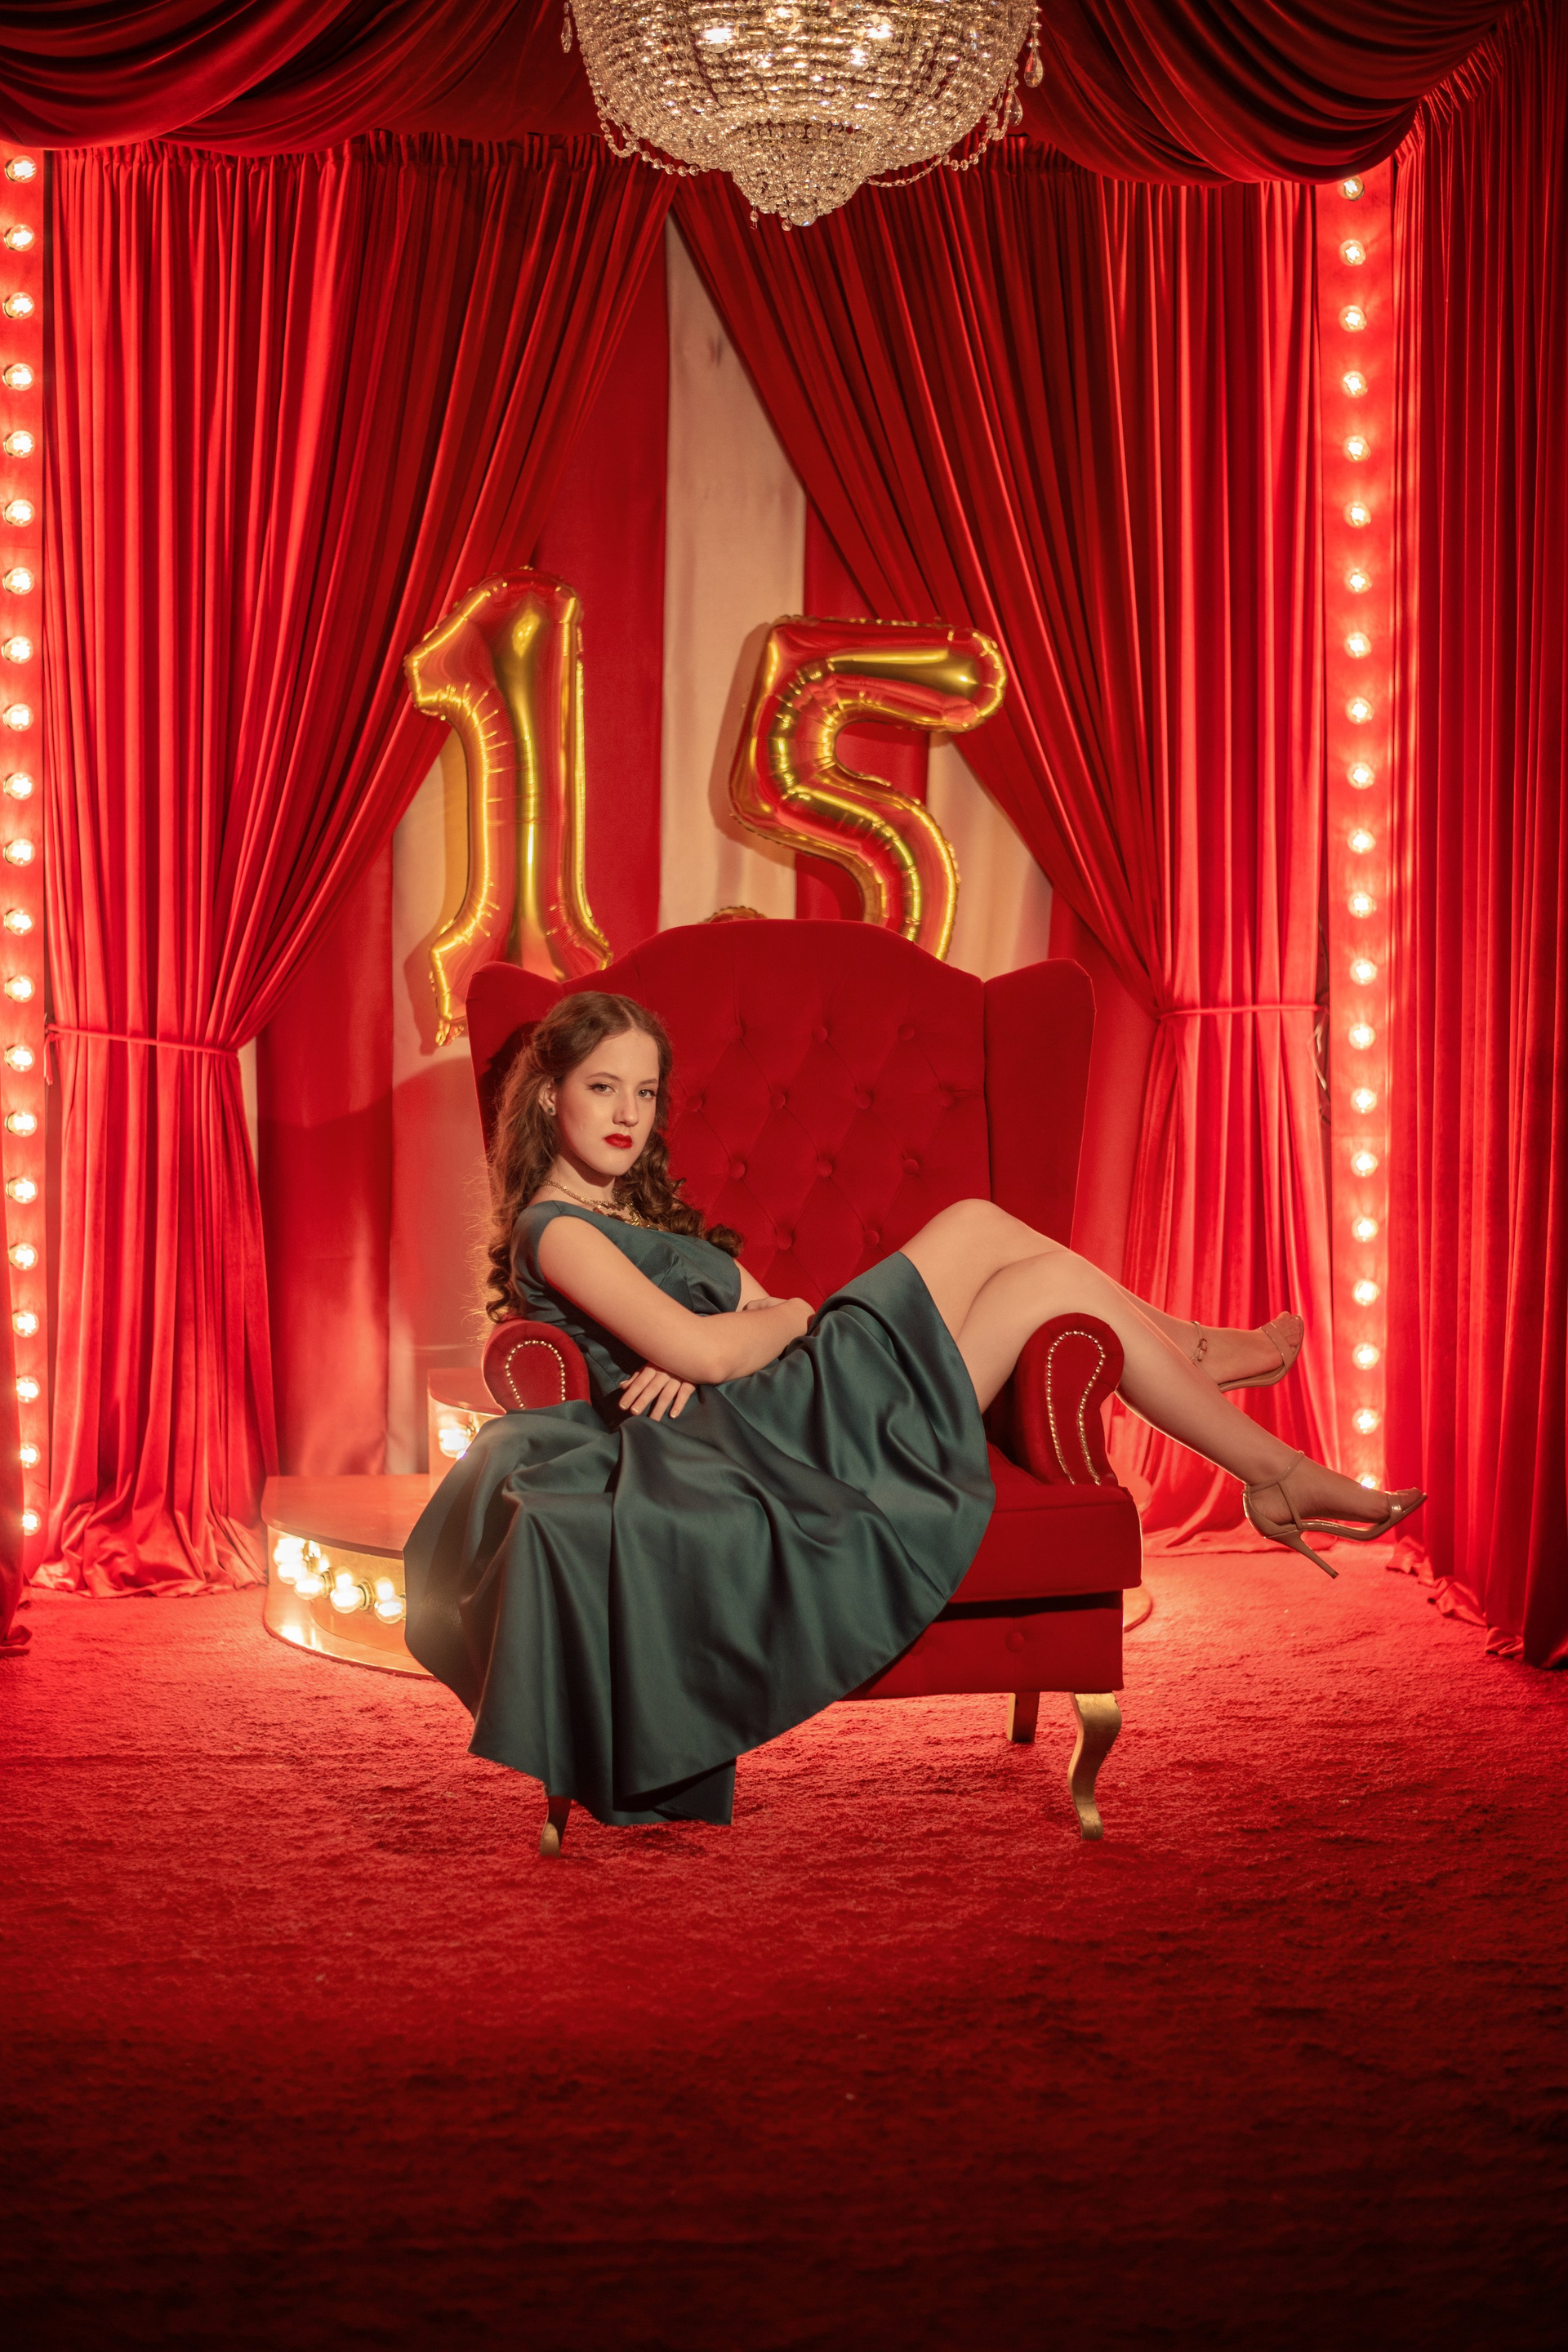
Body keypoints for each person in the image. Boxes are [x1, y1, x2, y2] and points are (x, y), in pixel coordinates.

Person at [403, 991, 1422, 1853]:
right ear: (551, 1096)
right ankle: (1210, 1377)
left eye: (645, 1091)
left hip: (786, 1406)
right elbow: (723, 1346)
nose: (629, 1113)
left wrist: (745, 1331)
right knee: (981, 1227)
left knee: (1042, 1281)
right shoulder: (555, 1228)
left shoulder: (632, 1219)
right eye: (603, 1088)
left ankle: (1267, 1466)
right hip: (767, 1434)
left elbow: (758, 1317)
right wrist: (748, 1332)